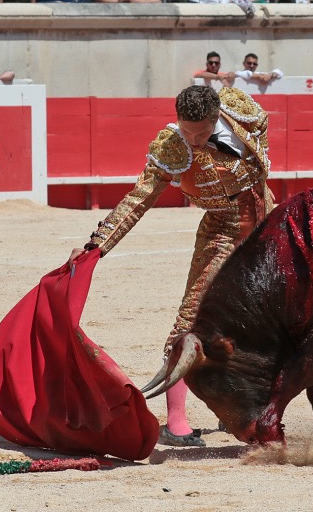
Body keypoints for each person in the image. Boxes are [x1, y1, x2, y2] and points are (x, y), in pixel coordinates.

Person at [69, 84, 275, 448]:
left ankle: (237, 408)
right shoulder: (171, 145)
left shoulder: (243, 113)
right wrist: (96, 246)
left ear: (217, 118)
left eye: (201, 133)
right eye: (186, 131)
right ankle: (176, 421)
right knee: (193, 319)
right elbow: (139, 198)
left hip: (266, 225)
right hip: (221, 232)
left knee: (268, 319)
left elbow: (260, 163)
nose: (193, 141)